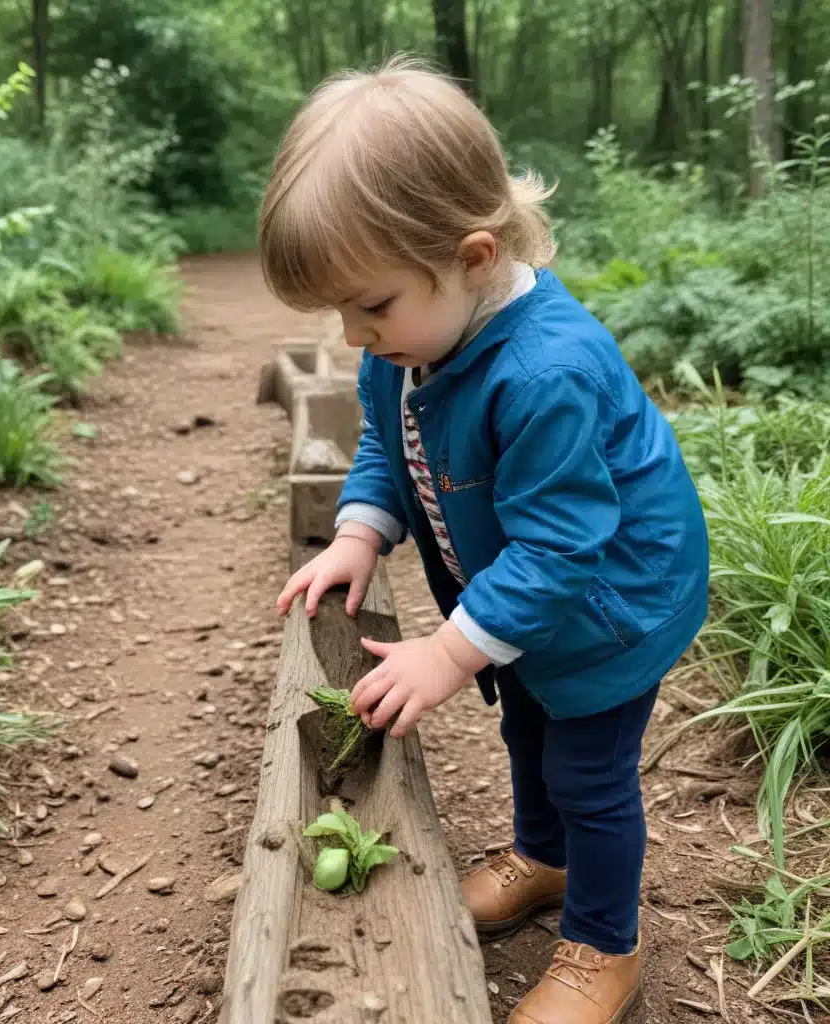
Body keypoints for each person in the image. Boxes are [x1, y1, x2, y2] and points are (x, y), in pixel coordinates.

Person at [259, 55, 709, 1024]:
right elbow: (387, 439)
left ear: (470, 256)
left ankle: (603, 943)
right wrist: (358, 530)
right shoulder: (414, 345)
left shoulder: (545, 371)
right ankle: (541, 858)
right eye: (339, 311)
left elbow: (556, 550)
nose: (352, 334)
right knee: (525, 729)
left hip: (608, 603)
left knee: (589, 771)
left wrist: (451, 647)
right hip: (534, 596)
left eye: (369, 305)